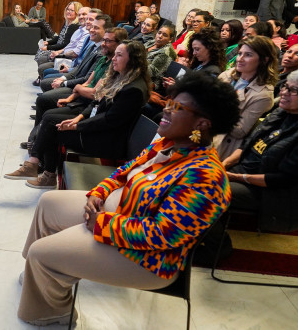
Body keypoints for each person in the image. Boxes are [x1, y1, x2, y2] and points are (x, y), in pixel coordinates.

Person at [16, 71, 240, 326]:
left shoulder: (205, 177)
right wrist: (98, 193)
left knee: (42, 253)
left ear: (202, 124)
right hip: (122, 213)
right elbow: (124, 172)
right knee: (48, 204)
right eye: (169, 101)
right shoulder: (168, 144)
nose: (165, 110)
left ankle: (53, 313)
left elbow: (163, 235)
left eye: (176, 107)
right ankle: (40, 279)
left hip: (146, 257)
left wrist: (101, 224)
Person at [6, 41, 150, 188]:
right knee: (50, 118)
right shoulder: (120, 77)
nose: (114, 58)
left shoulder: (134, 89)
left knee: (53, 127)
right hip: (97, 127)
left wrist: (76, 126)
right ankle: (36, 167)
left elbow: (108, 120)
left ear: (133, 59)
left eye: (119, 55)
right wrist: (79, 118)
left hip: (107, 139)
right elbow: (96, 103)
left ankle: (41, 172)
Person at [220, 68, 298, 233]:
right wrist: (224, 164)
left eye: (294, 90)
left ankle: (215, 246)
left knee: (201, 188)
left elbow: (284, 180)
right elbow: (248, 145)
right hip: (244, 174)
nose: (284, 92)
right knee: (189, 172)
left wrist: (233, 177)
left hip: (273, 194)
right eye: (286, 86)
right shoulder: (283, 112)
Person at [215, 36, 278, 159]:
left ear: (264, 60)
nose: (240, 59)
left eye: (248, 55)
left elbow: (239, 131)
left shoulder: (263, 95)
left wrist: (215, 107)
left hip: (222, 144)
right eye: (240, 54)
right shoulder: (227, 75)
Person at [146, 24, 178, 89]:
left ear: (170, 39)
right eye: (159, 33)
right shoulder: (153, 42)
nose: (160, 36)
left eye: (165, 35)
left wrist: (135, 61)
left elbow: (150, 72)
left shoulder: (165, 53)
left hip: (149, 82)